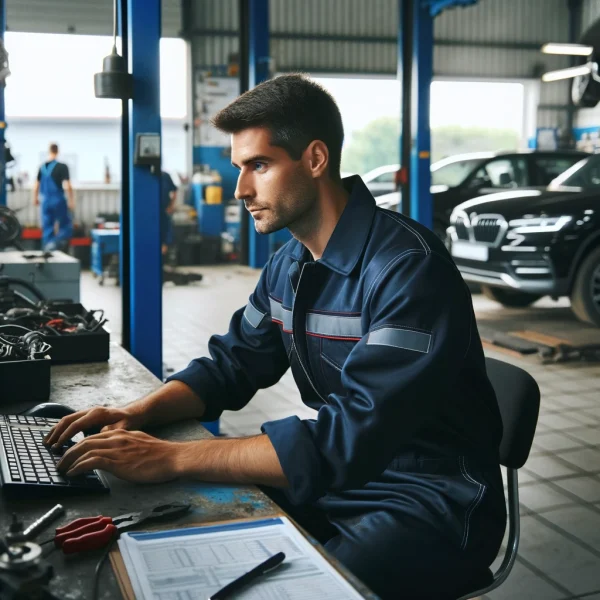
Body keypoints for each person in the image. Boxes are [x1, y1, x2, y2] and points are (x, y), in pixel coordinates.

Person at [44, 74, 506, 600]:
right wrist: (139, 413)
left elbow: (346, 440)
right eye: (240, 168)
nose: (241, 189)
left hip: (432, 498)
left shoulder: (407, 269)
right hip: (347, 479)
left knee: (312, 590)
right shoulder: (291, 262)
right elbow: (231, 366)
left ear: (314, 159)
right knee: (184, 530)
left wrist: (171, 456)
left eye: (259, 166)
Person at [33, 143, 74, 251]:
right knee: (65, 226)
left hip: (45, 202)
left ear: (49, 151)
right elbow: (68, 185)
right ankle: (57, 246)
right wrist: (71, 201)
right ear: (58, 151)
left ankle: (48, 250)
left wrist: (35, 198)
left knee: (47, 227)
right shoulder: (62, 166)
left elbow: (36, 185)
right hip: (58, 201)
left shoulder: (42, 167)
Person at [160, 170, 177, 257]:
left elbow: (174, 190)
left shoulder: (165, 176)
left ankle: (164, 253)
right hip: (152, 210)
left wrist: (171, 205)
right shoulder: (146, 176)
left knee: (166, 230)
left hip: (164, 209)